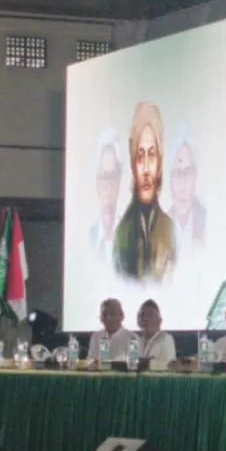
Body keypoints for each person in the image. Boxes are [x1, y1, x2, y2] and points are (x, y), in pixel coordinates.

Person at [113, 101, 177, 281]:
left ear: (160, 162)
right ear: (133, 164)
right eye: (140, 156)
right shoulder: (122, 234)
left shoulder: (170, 232)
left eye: (152, 155)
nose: (147, 169)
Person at [167, 136, 206, 255]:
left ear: (195, 177)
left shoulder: (207, 221)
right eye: (177, 174)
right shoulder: (161, 227)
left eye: (188, 173)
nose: (182, 185)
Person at [90, 129, 122, 267]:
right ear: (97, 183)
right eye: (104, 177)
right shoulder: (89, 237)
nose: (108, 185)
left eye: (113, 177)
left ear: (119, 183)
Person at [88, 298, 133, 365]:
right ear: (100, 318)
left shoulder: (132, 338)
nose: (108, 318)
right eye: (105, 314)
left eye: (113, 314)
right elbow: (90, 361)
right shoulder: (96, 337)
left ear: (122, 316)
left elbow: (134, 365)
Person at [135, 299, 176, 370]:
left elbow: (170, 366)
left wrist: (148, 364)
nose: (145, 319)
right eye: (142, 315)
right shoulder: (137, 341)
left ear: (159, 320)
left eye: (150, 315)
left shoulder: (166, 339)